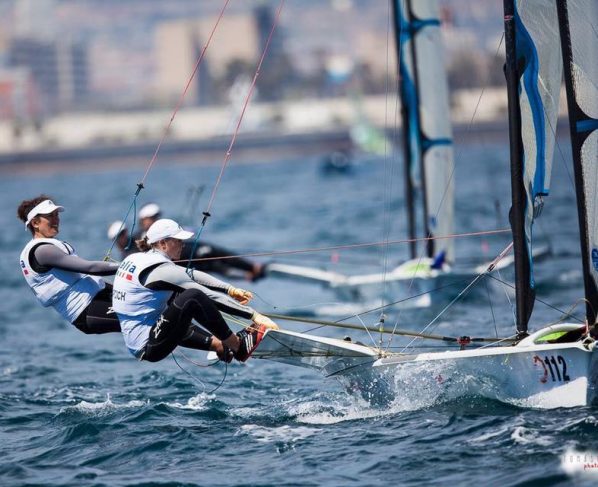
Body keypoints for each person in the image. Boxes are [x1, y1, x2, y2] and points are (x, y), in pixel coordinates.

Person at [111, 218, 279, 363]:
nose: (182, 244)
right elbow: (207, 294)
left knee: (183, 298)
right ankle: (237, 346)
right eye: (178, 240)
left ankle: (222, 344)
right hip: (149, 345)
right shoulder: (160, 270)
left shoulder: (138, 258)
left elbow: (190, 274)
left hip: (147, 335)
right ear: (162, 243)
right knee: (193, 296)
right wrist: (253, 315)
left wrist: (229, 289)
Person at [17, 195, 121, 334]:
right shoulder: (42, 251)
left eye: (56, 215)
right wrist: (127, 267)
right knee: (144, 316)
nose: (56, 220)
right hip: (88, 310)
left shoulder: (49, 245)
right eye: (50, 216)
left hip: (99, 296)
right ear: (35, 223)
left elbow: (82, 277)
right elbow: (91, 268)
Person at [132, 202, 268, 281]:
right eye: (152, 217)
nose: (156, 219)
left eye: (157, 216)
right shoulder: (142, 238)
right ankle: (248, 273)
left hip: (189, 255)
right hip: (186, 259)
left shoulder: (161, 230)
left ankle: (250, 269)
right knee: (212, 260)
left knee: (214, 257)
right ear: (143, 220)